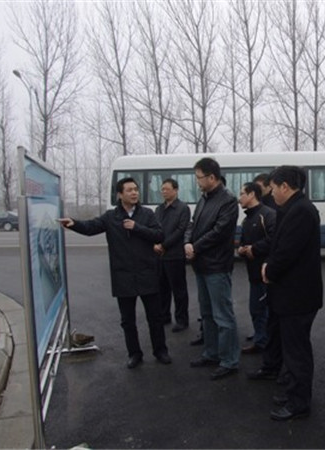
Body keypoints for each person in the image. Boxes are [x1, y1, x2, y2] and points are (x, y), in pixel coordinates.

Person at [58, 177, 170, 369]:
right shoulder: (111, 217)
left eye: (136, 189)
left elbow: (159, 235)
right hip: (123, 275)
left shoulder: (147, 214)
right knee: (128, 320)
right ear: (120, 194)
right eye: (129, 190)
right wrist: (73, 223)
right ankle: (134, 354)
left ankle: (160, 351)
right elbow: (91, 227)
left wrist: (137, 227)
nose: (134, 193)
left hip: (147, 273)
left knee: (155, 317)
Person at [260, 165, 323, 421]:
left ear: (285, 186)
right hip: (292, 294)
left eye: (273, 188)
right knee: (293, 349)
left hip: (297, 296)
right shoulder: (295, 208)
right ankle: (293, 392)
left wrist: (269, 270)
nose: (272, 193)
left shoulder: (301, 211)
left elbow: (287, 252)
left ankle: (299, 403)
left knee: (297, 353)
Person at [184, 157, 240, 381]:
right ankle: (211, 353)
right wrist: (187, 242)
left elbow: (219, 232)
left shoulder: (228, 201)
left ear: (212, 177)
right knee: (207, 314)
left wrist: (195, 247)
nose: (197, 182)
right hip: (201, 265)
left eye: (199, 177)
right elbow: (192, 224)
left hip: (217, 266)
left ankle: (229, 360)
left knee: (223, 316)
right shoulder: (204, 199)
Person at [237, 182, 276, 354]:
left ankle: (266, 345)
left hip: (266, 273)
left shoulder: (268, 215)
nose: (239, 198)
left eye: (242, 194)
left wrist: (254, 248)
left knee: (264, 311)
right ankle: (261, 340)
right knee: (256, 310)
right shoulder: (246, 219)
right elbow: (243, 242)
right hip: (253, 273)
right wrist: (242, 249)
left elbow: (275, 240)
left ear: (252, 194)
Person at [154, 178, 190, 332]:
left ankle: (182, 320)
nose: (164, 192)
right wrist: (155, 244)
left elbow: (180, 230)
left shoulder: (182, 208)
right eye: (162, 189)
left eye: (167, 189)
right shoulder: (159, 209)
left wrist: (164, 245)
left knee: (179, 290)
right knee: (162, 288)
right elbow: (154, 228)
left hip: (175, 255)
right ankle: (164, 316)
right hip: (160, 255)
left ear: (175, 190)